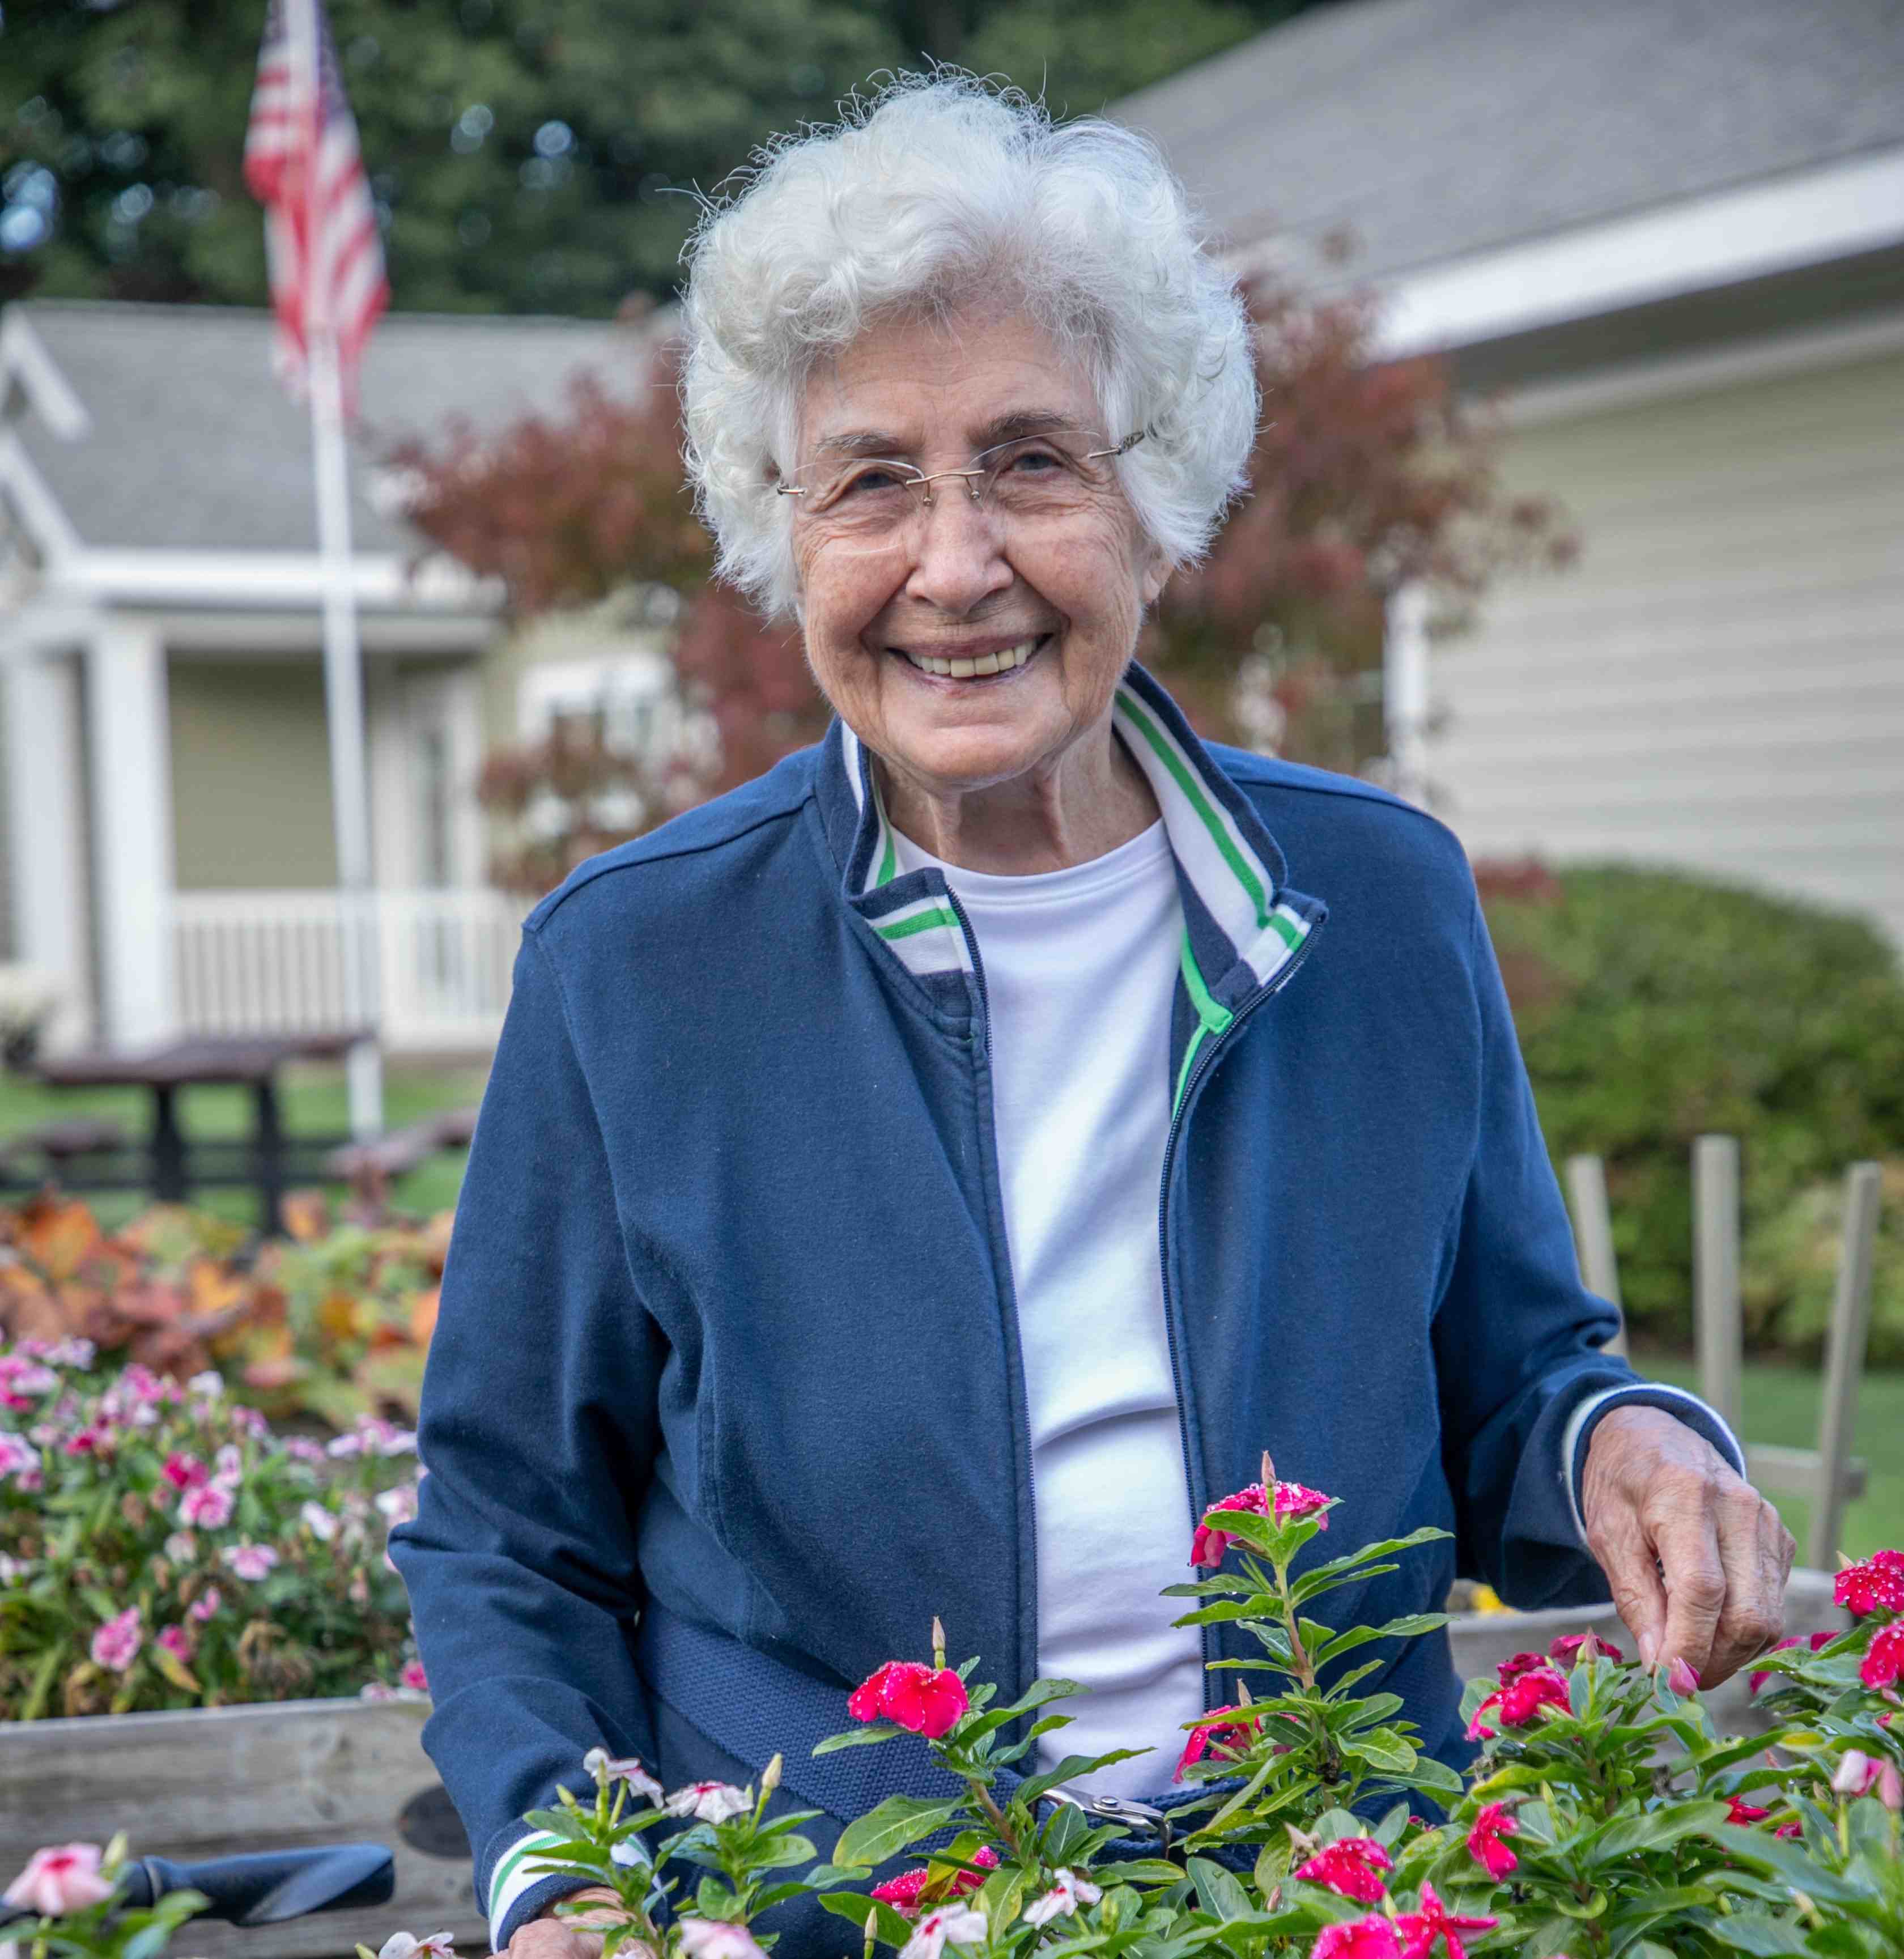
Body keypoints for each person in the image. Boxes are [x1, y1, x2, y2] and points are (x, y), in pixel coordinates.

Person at [389, 74, 1793, 1959]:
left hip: (1322, 1892)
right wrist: (563, 1877)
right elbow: (507, 1527)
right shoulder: (634, 964)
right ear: (780, 531)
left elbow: (1512, 1389)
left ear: (1158, 501)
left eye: (1032, 463)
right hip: (829, 1914)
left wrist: (1627, 1443)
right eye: (872, 478)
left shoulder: (1377, 903)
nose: (953, 565)